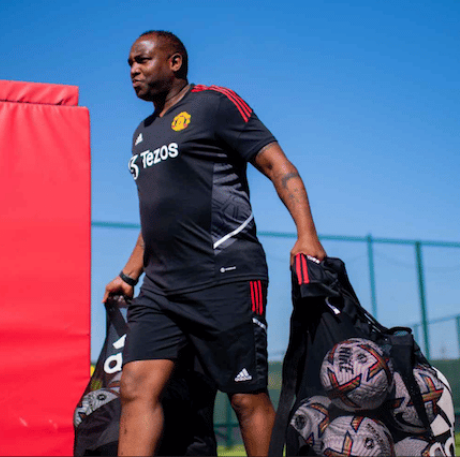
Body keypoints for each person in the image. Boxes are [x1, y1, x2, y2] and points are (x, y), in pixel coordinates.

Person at [103, 30, 326, 457]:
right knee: (134, 389)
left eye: (142, 60)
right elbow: (155, 216)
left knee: (245, 396)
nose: (133, 70)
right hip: (162, 288)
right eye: (129, 63)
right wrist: (128, 275)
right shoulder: (142, 133)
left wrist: (306, 234)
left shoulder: (215, 104)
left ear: (175, 62)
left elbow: (277, 165)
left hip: (225, 275)